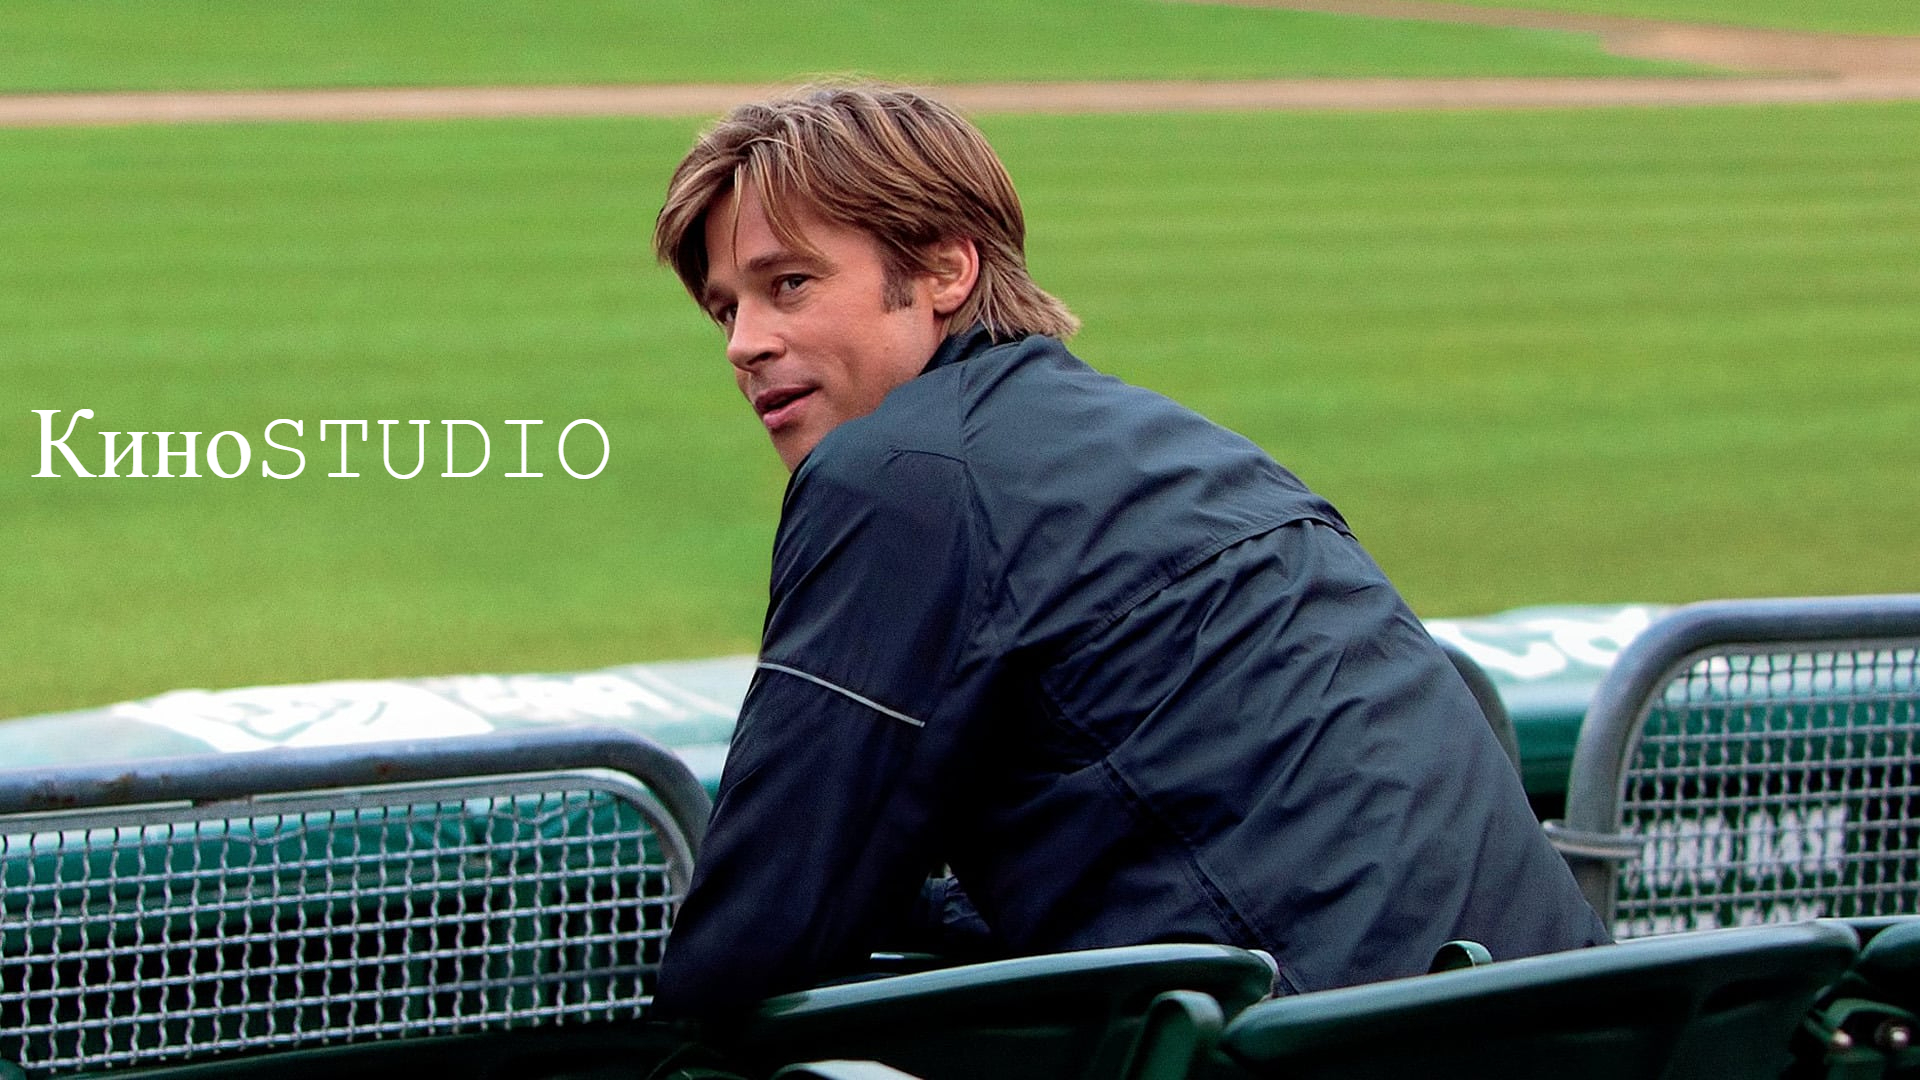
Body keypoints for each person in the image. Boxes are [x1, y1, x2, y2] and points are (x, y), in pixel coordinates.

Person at [649, 82, 1609, 1018]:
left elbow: (752, 943)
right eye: (727, 310)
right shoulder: (1190, 448)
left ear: (946, 270)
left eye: (790, 284)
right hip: (1585, 1024)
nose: (745, 343)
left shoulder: (900, 471)